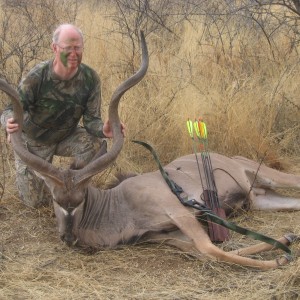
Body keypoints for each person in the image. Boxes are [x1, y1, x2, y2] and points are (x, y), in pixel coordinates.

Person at [1, 23, 125, 208]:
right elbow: (9, 110)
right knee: (35, 203)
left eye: (78, 48)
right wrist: (8, 124)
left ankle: (73, 186)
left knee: (94, 144)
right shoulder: (37, 76)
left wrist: (103, 129)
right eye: (68, 49)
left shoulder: (90, 78)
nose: (74, 54)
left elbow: (92, 121)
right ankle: (54, 184)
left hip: (66, 136)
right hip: (35, 142)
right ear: (54, 48)